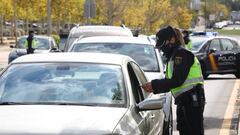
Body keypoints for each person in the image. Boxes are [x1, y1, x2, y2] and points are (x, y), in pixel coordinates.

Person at [141, 26, 205, 135]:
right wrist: (153, 88)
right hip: (184, 100)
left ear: (172, 39)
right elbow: (169, 83)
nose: (162, 49)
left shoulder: (182, 54)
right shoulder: (173, 57)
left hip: (192, 100)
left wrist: (154, 85)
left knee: (194, 132)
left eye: (163, 45)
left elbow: (177, 80)